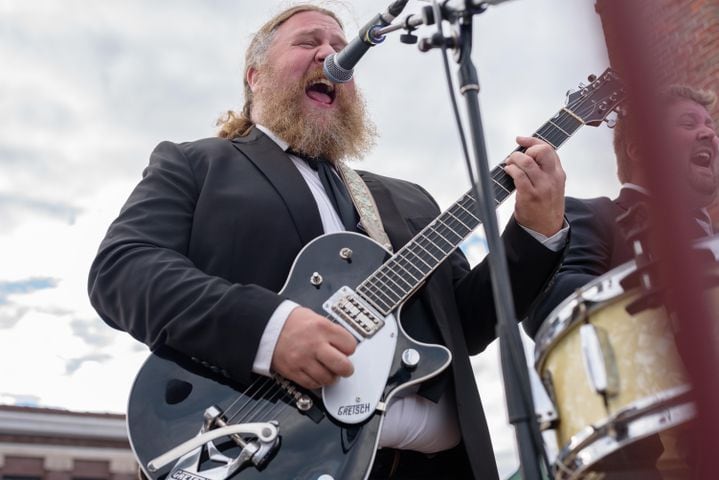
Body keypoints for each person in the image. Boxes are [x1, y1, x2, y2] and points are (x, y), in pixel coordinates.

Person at [88, 4, 568, 479]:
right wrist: (270, 332)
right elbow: (123, 269)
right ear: (254, 76)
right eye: (307, 42)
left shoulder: (409, 200)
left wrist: (535, 230)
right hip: (270, 455)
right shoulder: (197, 164)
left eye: (340, 47)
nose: (332, 54)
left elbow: (466, 325)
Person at [525, 84, 718, 338]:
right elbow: (548, 301)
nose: (709, 133)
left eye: (711, 126)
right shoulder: (596, 216)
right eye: (688, 123)